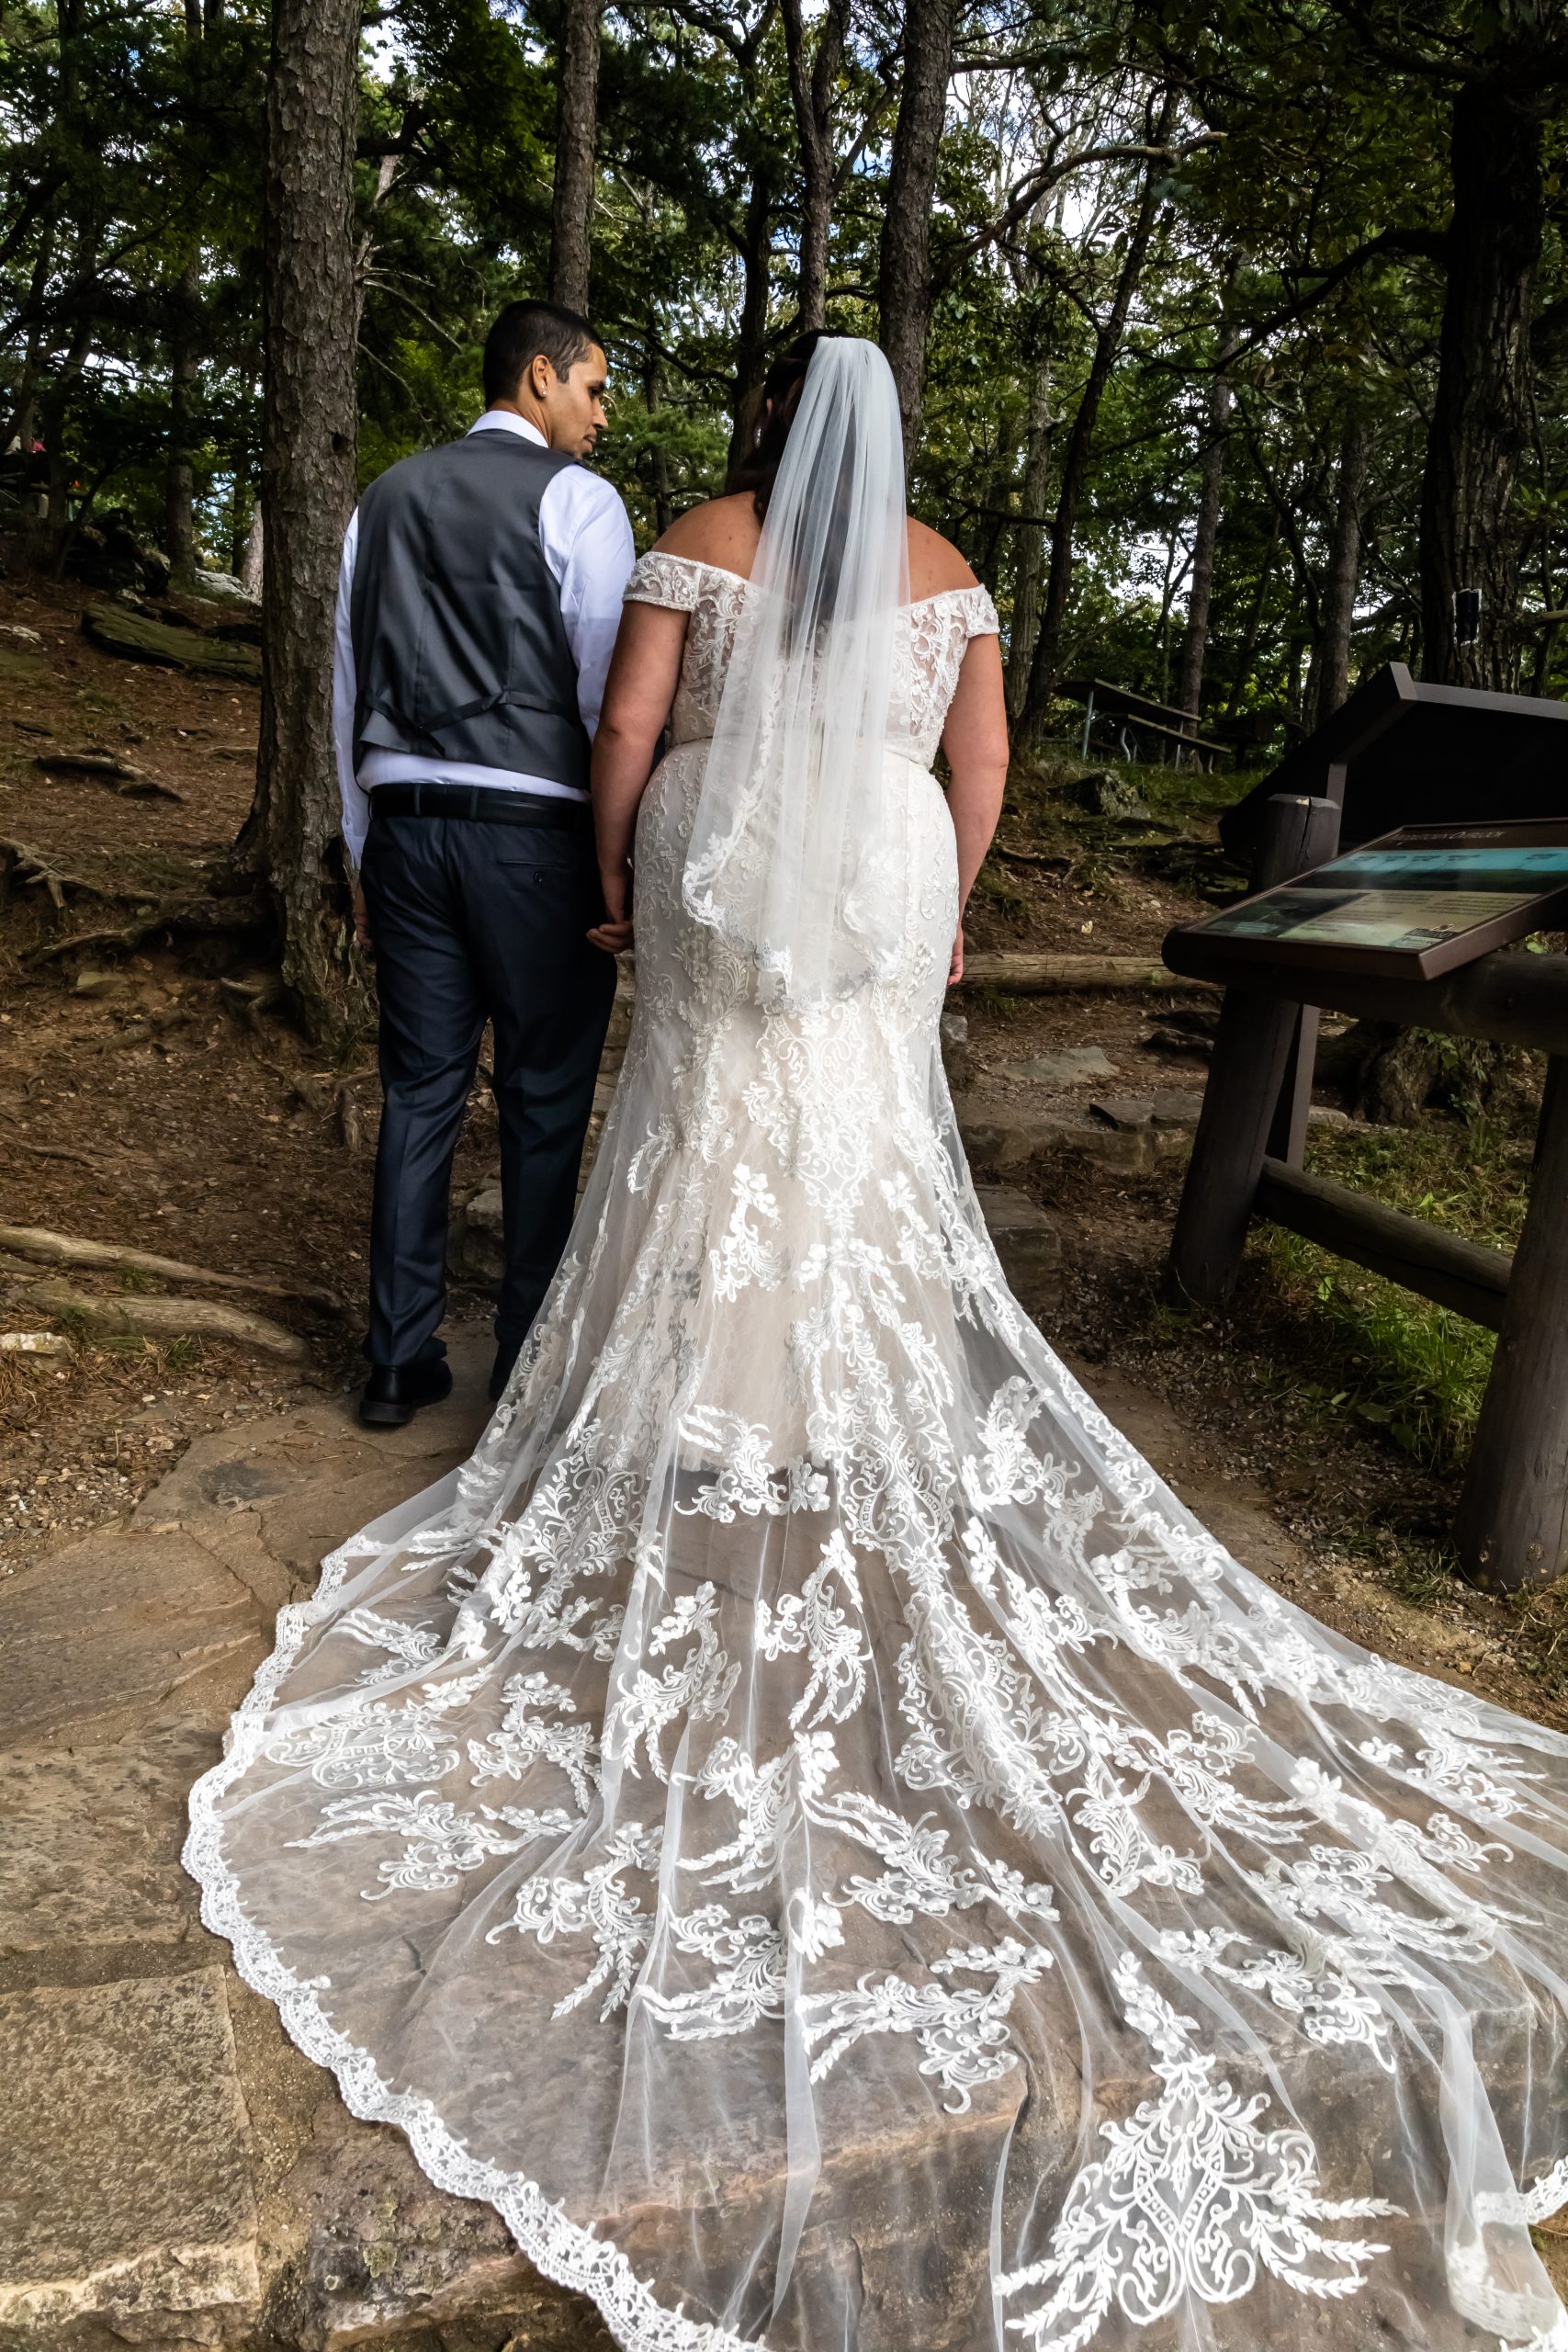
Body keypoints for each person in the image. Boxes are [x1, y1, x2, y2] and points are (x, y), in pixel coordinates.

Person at [190, 336, 1568, 2352]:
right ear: (891, 435)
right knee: (847, 1143)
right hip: (876, 872)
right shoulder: (950, 574)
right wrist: (943, 903)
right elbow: (978, 769)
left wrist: (618, 873)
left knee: (706, 1128)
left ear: (766, 425)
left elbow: (631, 724)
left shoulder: (697, 533)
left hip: (723, 857)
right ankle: (844, 1396)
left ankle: (702, 1395)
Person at [333, 298, 634, 1428]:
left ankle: (396, 1359)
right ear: (541, 377)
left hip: (405, 830)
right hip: (536, 840)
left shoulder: (381, 498)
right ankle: (523, 1365)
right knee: (543, 1098)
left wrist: (362, 850)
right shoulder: (580, 502)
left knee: (419, 1091)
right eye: (594, 388)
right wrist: (619, 864)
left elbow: (345, 690)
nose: (602, 415)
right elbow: (606, 701)